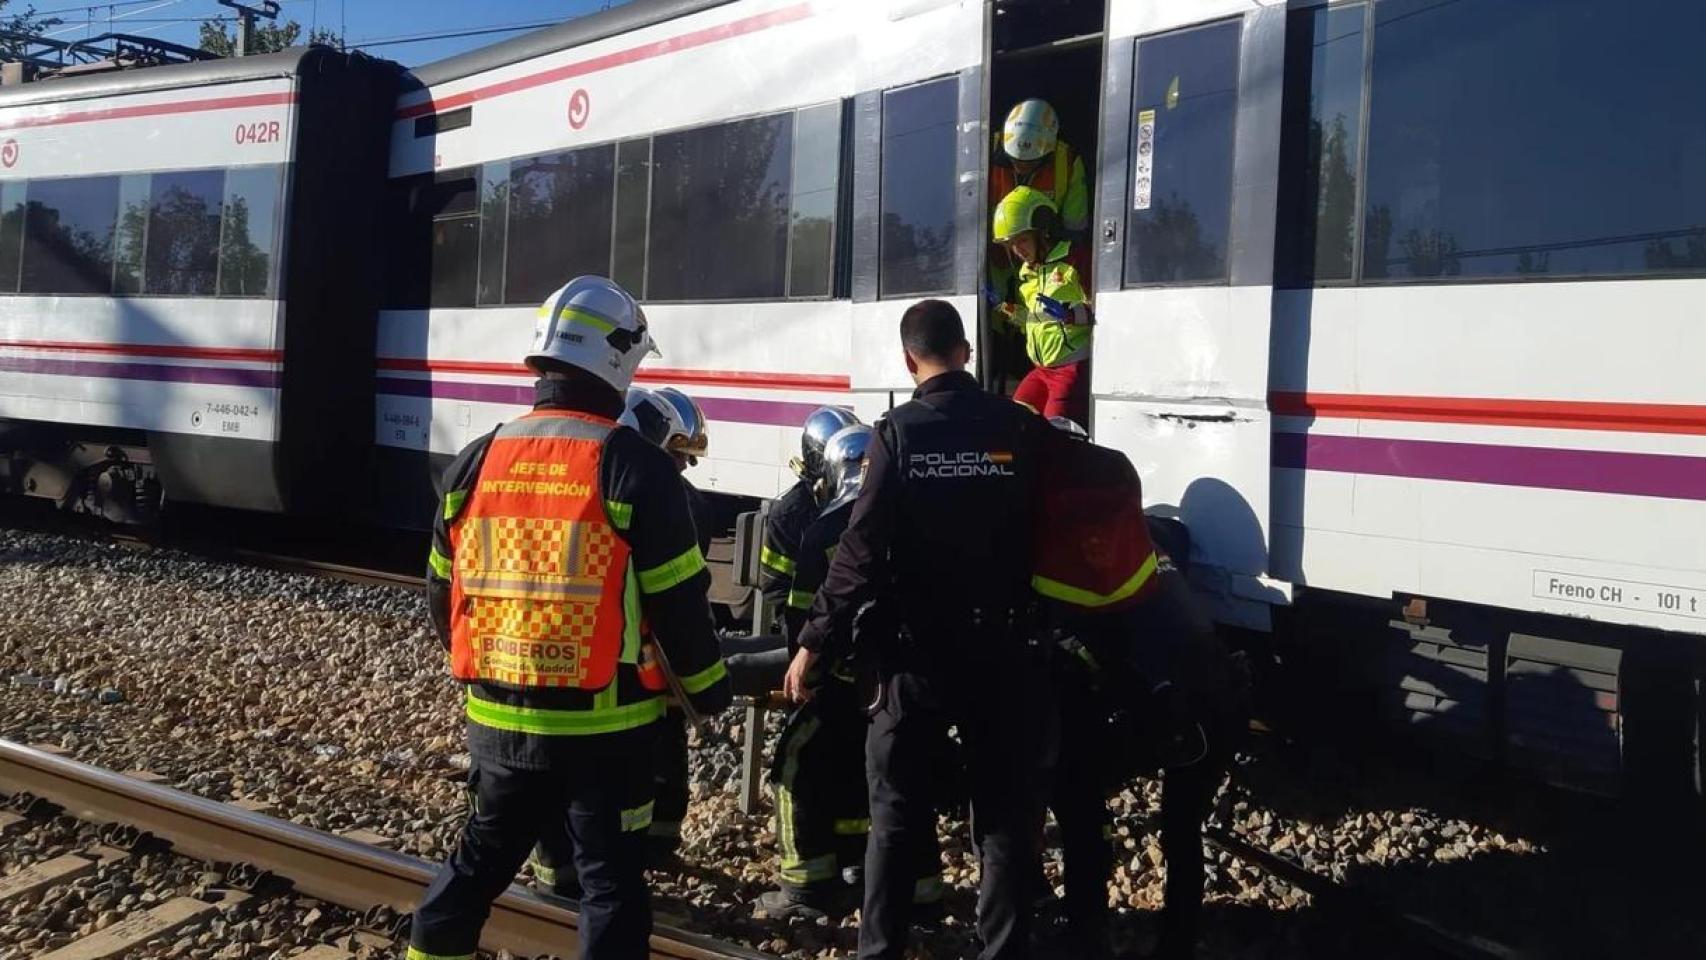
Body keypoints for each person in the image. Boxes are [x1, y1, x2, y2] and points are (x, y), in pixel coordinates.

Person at [411, 276, 732, 960]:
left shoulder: (474, 461)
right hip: (605, 732)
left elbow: (443, 597)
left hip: (497, 724)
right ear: (616, 359)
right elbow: (680, 609)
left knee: (472, 873)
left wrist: (488, 674)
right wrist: (709, 696)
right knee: (610, 889)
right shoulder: (635, 468)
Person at [785, 299, 1051, 960]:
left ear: (911, 362)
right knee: (1002, 815)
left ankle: (881, 952)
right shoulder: (1018, 427)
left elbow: (860, 552)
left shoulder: (897, 434)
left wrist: (813, 641)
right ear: (966, 351)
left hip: (914, 656)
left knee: (896, 815)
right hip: (1002, 651)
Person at [527, 385, 717, 898]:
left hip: (556, 665)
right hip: (622, 678)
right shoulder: (664, 499)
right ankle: (601, 878)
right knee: (610, 798)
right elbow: (679, 603)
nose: (682, 472)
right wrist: (706, 685)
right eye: (677, 457)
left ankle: (573, 879)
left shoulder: (579, 483)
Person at [993, 186, 1093, 425]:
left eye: (1023, 239)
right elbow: (1036, 318)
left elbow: (1105, 310)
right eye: (1011, 244)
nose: (1018, 250)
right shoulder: (1028, 272)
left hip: (1070, 369)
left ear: (1044, 231)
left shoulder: (1075, 260)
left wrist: (1070, 314)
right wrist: (1007, 310)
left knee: (1056, 436)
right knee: (1012, 423)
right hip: (1041, 370)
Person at [760, 407, 861, 624]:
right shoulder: (790, 515)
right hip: (808, 626)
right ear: (819, 459)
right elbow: (776, 589)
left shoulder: (861, 500)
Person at [989, 98, 1091, 305]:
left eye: (1029, 162)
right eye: (1014, 160)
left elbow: (1075, 227)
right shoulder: (985, 149)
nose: (1020, 167)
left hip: (1048, 264)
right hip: (997, 260)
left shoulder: (1067, 162)